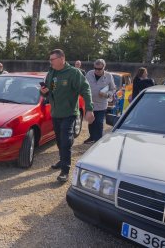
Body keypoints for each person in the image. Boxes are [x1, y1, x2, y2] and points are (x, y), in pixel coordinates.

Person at [40, 49, 95, 182]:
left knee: (65, 141)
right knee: (59, 140)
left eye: (52, 59)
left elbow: (86, 90)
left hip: (69, 114)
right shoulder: (52, 73)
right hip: (55, 113)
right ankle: (62, 160)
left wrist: (89, 109)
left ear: (61, 59)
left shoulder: (74, 73)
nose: (50, 62)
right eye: (50, 59)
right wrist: (44, 92)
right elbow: (49, 91)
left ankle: (65, 171)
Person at [85, 59, 116, 144]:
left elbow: (113, 89)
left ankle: (98, 141)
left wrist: (107, 94)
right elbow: (84, 86)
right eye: (95, 68)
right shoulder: (89, 74)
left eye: (99, 69)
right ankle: (92, 137)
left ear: (104, 68)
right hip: (90, 103)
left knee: (99, 122)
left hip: (101, 104)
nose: (97, 70)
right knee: (91, 121)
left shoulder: (109, 76)